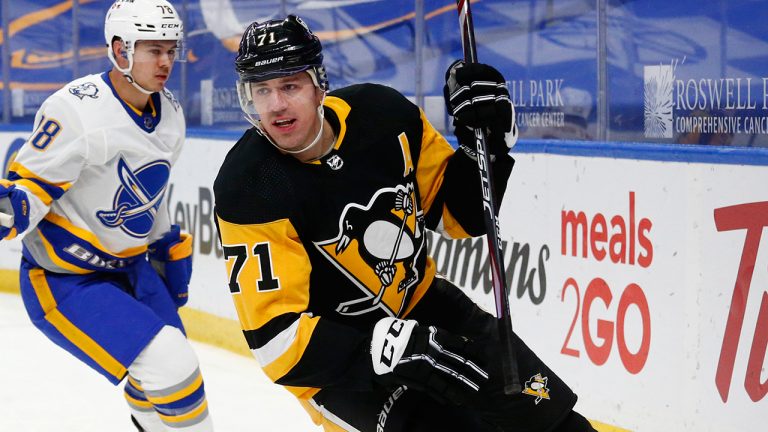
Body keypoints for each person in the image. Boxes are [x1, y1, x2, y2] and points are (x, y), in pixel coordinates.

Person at [214, 15, 595, 432]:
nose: (275, 105)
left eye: (290, 85)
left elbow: (458, 219)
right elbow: (275, 343)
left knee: (556, 423)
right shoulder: (248, 186)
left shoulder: (383, 115)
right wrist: (388, 345)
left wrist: (486, 143)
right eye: (261, 89)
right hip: (345, 368)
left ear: (319, 83)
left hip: (426, 307)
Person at [0, 1, 214, 431]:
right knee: (171, 364)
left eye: (171, 49)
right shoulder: (77, 110)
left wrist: (165, 248)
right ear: (120, 51)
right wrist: (10, 209)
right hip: (65, 279)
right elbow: (29, 191)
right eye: (154, 50)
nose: (167, 61)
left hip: (132, 270)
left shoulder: (170, 110)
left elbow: (152, 193)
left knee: (164, 374)